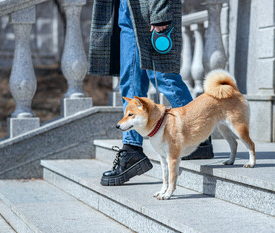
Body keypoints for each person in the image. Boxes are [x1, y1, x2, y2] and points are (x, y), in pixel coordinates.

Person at [88, 0, 214, 186]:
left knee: (163, 77)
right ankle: (132, 150)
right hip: (126, 7)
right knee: (130, 81)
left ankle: (199, 135)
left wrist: (160, 12)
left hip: (149, 6)